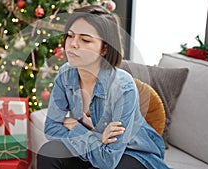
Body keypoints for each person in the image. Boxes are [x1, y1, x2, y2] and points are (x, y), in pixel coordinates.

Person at [37, 5, 170, 169]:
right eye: (70, 36)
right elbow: (51, 129)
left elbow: (108, 160)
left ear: (104, 48)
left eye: (85, 40)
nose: (72, 44)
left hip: (133, 152)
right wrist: (97, 138)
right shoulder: (65, 74)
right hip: (96, 147)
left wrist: (75, 127)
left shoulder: (123, 87)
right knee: (48, 152)